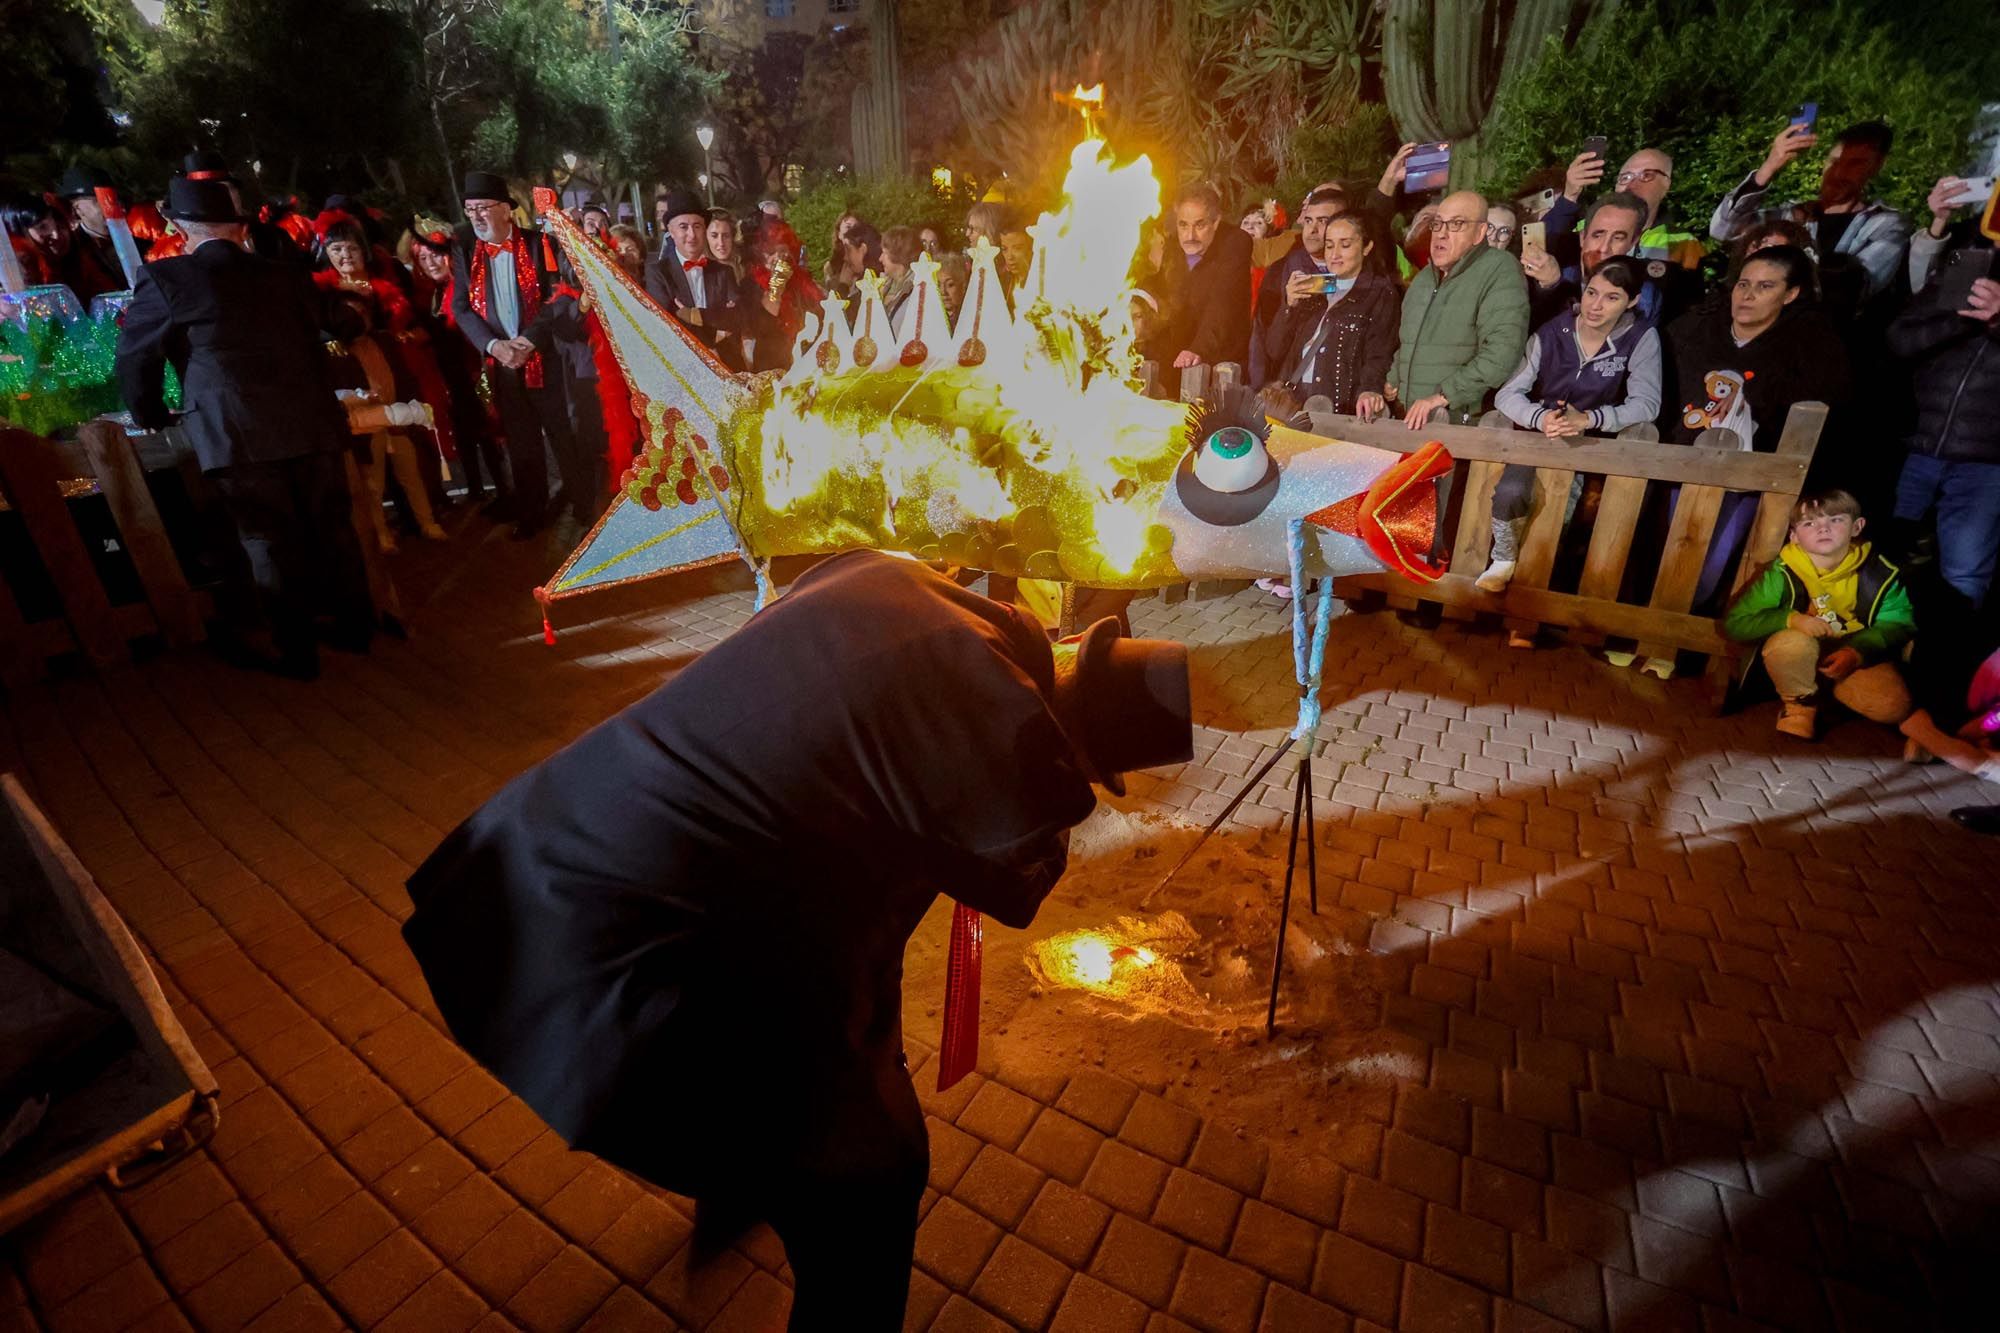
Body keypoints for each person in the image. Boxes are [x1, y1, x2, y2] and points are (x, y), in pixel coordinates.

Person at [400, 551, 1193, 1330]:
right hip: (611, 958)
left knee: (822, 1051)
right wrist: (1060, 781)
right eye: (1091, 765)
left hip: (536, 855)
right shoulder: (1002, 719)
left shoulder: (895, 573)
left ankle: (745, 1176)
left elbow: (862, 896)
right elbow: (1017, 882)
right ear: (1069, 732)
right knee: (875, 1177)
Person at [115, 177, 373, 679]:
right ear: (238, 230)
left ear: (182, 229)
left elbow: (134, 358)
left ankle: (296, 652)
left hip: (235, 429)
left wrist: (149, 414)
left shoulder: (167, 279)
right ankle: (356, 628)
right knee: (331, 527)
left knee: (266, 539)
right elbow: (343, 322)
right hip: (309, 420)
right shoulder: (286, 274)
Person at [1663, 244, 1849, 609]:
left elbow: (1822, 405)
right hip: (1676, 466)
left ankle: (1680, 642)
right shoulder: (1691, 331)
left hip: (1747, 480)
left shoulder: (1806, 349)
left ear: (1791, 293)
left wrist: (1757, 400)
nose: (1748, 296)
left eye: (1765, 287)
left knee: (1710, 567)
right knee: (1665, 555)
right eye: (1743, 284)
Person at [1482, 256, 1663, 592]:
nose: (1596, 306)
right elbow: (1508, 393)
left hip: (1590, 443)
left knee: (1567, 517)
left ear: (1633, 301)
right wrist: (1538, 417)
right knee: (1510, 492)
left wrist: (1591, 419)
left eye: (1612, 298)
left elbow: (1647, 403)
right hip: (1539, 432)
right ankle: (1502, 559)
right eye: (1592, 292)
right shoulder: (1553, 330)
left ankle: (1535, 594)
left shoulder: (1640, 337)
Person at [449, 170, 586, 540]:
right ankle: (532, 510)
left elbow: (555, 298)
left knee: (562, 433)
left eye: (483, 208)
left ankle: (584, 505)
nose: (476, 216)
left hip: (543, 357)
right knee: (521, 442)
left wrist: (526, 342)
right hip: (502, 364)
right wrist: (494, 347)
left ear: (506, 210)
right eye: (470, 209)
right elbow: (460, 307)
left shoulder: (538, 243)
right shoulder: (465, 251)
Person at [1722, 489, 1913, 740]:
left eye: (1835, 520)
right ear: (1794, 536)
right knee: (1790, 645)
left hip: (1849, 654)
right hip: (1800, 656)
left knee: (1893, 706)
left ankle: (1838, 699)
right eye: (1809, 523)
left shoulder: (1880, 572)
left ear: (1857, 527)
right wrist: (1791, 619)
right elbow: (1736, 624)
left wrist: (1857, 652)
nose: (1823, 529)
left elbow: (1899, 623)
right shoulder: (1781, 572)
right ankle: (1800, 707)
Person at [1885, 254, 2000, 607]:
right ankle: (1867, 654)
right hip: (1917, 446)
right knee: (1882, 563)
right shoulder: (1972, 262)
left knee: (1963, 577)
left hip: (1988, 461)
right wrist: (1963, 318)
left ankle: (1942, 658)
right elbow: (1900, 338)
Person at [1709, 119, 1911, 303]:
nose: (1838, 173)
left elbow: (1856, 286)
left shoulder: (1886, 225)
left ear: (1874, 168)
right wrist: (1768, 168)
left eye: (1853, 165)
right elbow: (1722, 230)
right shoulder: (1791, 214)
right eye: (1834, 161)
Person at [1377, 191, 1530, 429]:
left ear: (1480, 232)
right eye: (1437, 224)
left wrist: (1443, 397)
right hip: (1407, 418)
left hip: (1456, 422)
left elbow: (1502, 352)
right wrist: (1395, 377)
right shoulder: (1424, 279)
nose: (1441, 233)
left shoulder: (1499, 270)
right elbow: (1408, 341)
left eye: (1456, 224)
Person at [1261, 212, 1400, 416]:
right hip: (1294, 398)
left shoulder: (1379, 293)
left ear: (1367, 247)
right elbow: (1274, 349)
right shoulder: (1314, 286)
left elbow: (1379, 352)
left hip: (1339, 403)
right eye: (1329, 245)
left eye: (1345, 245)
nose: (1334, 254)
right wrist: (1289, 305)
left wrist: (1369, 389)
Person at [409, 225, 507, 512]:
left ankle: (504, 491)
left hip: (476, 372)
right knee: (463, 433)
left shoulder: (465, 290)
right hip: (448, 378)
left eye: (435, 256)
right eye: (423, 259)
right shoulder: (428, 294)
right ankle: (476, 490)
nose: (430, 263)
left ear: (450, 256)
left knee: (488, 430)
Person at [1546, 145, 1704, 272]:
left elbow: (1692, 304)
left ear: (1666, 184)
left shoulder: (1684, 243)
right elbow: (1539, 251)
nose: (1631, 185)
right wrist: (1569, 196)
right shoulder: (1585, 228)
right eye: (1625, 177)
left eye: (1646, 175)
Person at [1250, 187, 1346, 389]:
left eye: (1323, 221)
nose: (1312, 230)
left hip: (1341, 394)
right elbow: (1271, 350)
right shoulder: (1281, 271)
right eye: (1309, 220)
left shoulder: (1363, 276)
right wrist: (1289, 307)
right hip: (1293, 391)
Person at [645, 189, 747, 372]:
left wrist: (693, 315)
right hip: (683, 373)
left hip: (730, 370)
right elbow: (667, 327)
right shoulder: (658, 273)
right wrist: (716, 332)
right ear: (671, 231)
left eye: (698, 226)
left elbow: (738, 317)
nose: (692, 234)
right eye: (683, 227)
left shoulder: (723, 272)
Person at [1162, 182, 1252, 385]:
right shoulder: (1173, 247)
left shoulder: (1236, 243)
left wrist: (1198, 349)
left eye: (1199, 225)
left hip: (1220, 366)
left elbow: (1223, 303)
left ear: (1216, 222)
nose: (1189, 235)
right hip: (1177, 362)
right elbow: (1163, 293)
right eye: (1183, 225)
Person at [744, 216, 825, 374]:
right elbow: (760, 326)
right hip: (772, 368)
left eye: (782, 251)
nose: (777, 258)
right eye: (770, 252)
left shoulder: (801, 282)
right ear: (761, 255)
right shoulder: (750, 285)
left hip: (806, 365)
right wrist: (777, 286)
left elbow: (821, 314)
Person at [880, 224, 919, 330]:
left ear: (897, 254)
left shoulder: (914, 286)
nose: (880, 259)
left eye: (884, 253)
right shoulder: (887, 285)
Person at [707, 209, 743, 283]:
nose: (721, 243)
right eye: (714, 236)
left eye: (726, 236)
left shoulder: (745, 267)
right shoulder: (700, 272)